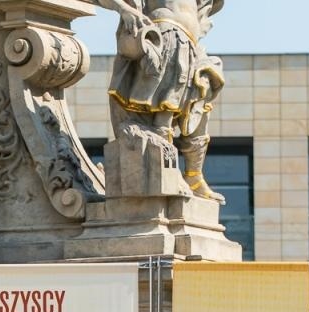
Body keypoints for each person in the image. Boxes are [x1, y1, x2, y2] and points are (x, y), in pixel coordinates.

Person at [97, 0, 227, 200]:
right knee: (165, 109)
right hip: (165, 36)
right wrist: (124, 9)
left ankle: (194, 175)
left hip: (191, 42)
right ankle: (166, 170)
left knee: (200, 101)